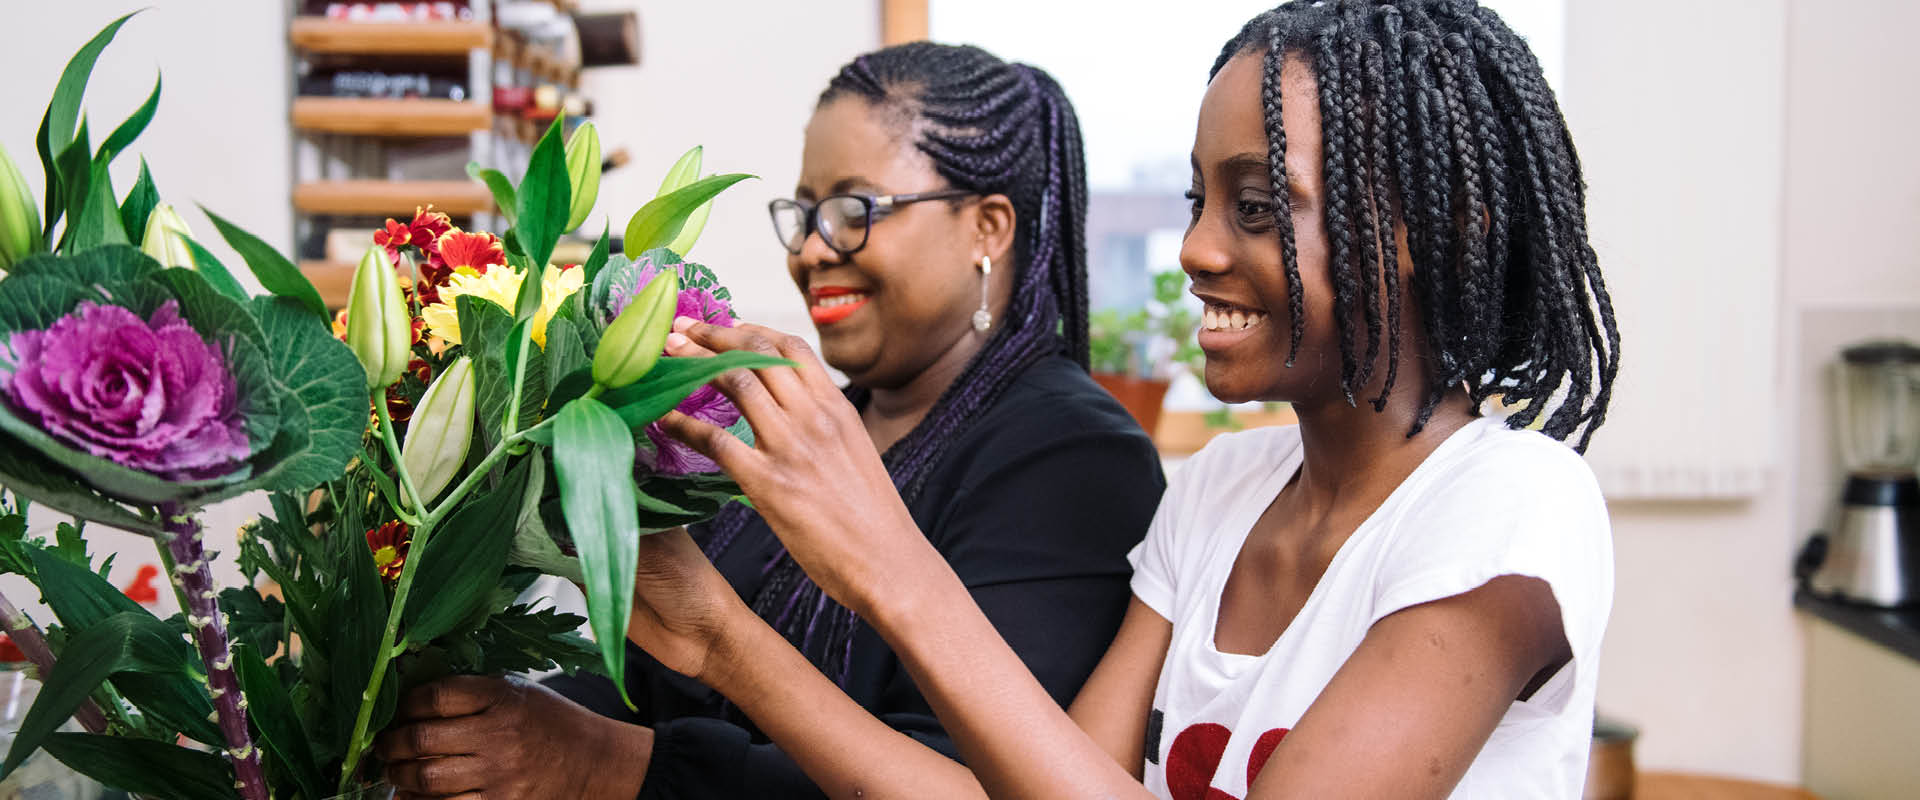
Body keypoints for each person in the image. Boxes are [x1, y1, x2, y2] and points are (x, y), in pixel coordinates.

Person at [636, 0, 1622, 797]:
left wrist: (891, 566)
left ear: (1425, 234)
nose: (1196, 249)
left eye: (1259, 206)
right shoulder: (1220, 491)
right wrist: (716, 635)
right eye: (1198, 201)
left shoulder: (1511, 504)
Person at [374, 43, 1166, 798]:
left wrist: (605, 766)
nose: (812, 250)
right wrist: (495, 722)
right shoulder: (812, 429)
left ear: (987, 228)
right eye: (804, 213)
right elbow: (649, 680)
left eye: (853, 210)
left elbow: (953, 785)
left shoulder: (1077, 458)